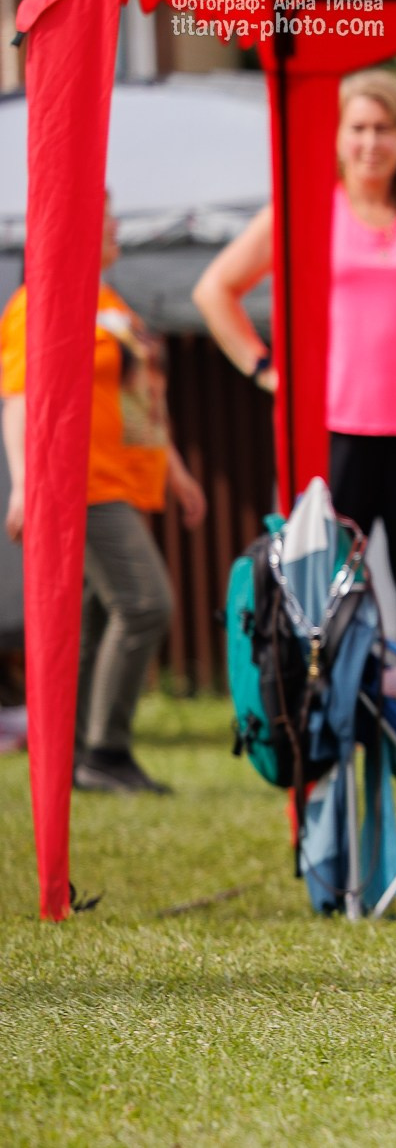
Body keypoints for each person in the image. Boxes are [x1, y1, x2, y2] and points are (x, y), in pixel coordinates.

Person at [194, 71, 396, 651]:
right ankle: (327, 726)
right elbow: (215, 291)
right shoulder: (308, 207)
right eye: (359, 129)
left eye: (384, 128)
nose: (371, 142)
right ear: (339, 138)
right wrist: (263, 370)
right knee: (323, 592)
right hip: (335, 432)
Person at [2, 196, 206, 792]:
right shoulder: (39, 300)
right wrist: (24, 481)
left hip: (124, 481)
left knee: (92, 625)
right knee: (146, 604)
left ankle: (71, 758)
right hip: (79, 486)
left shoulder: (109, 303)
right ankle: (106, 752)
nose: (116, 224)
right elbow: (19, 397)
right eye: (104, 213)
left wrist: (175, 471)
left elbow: (136, 397)